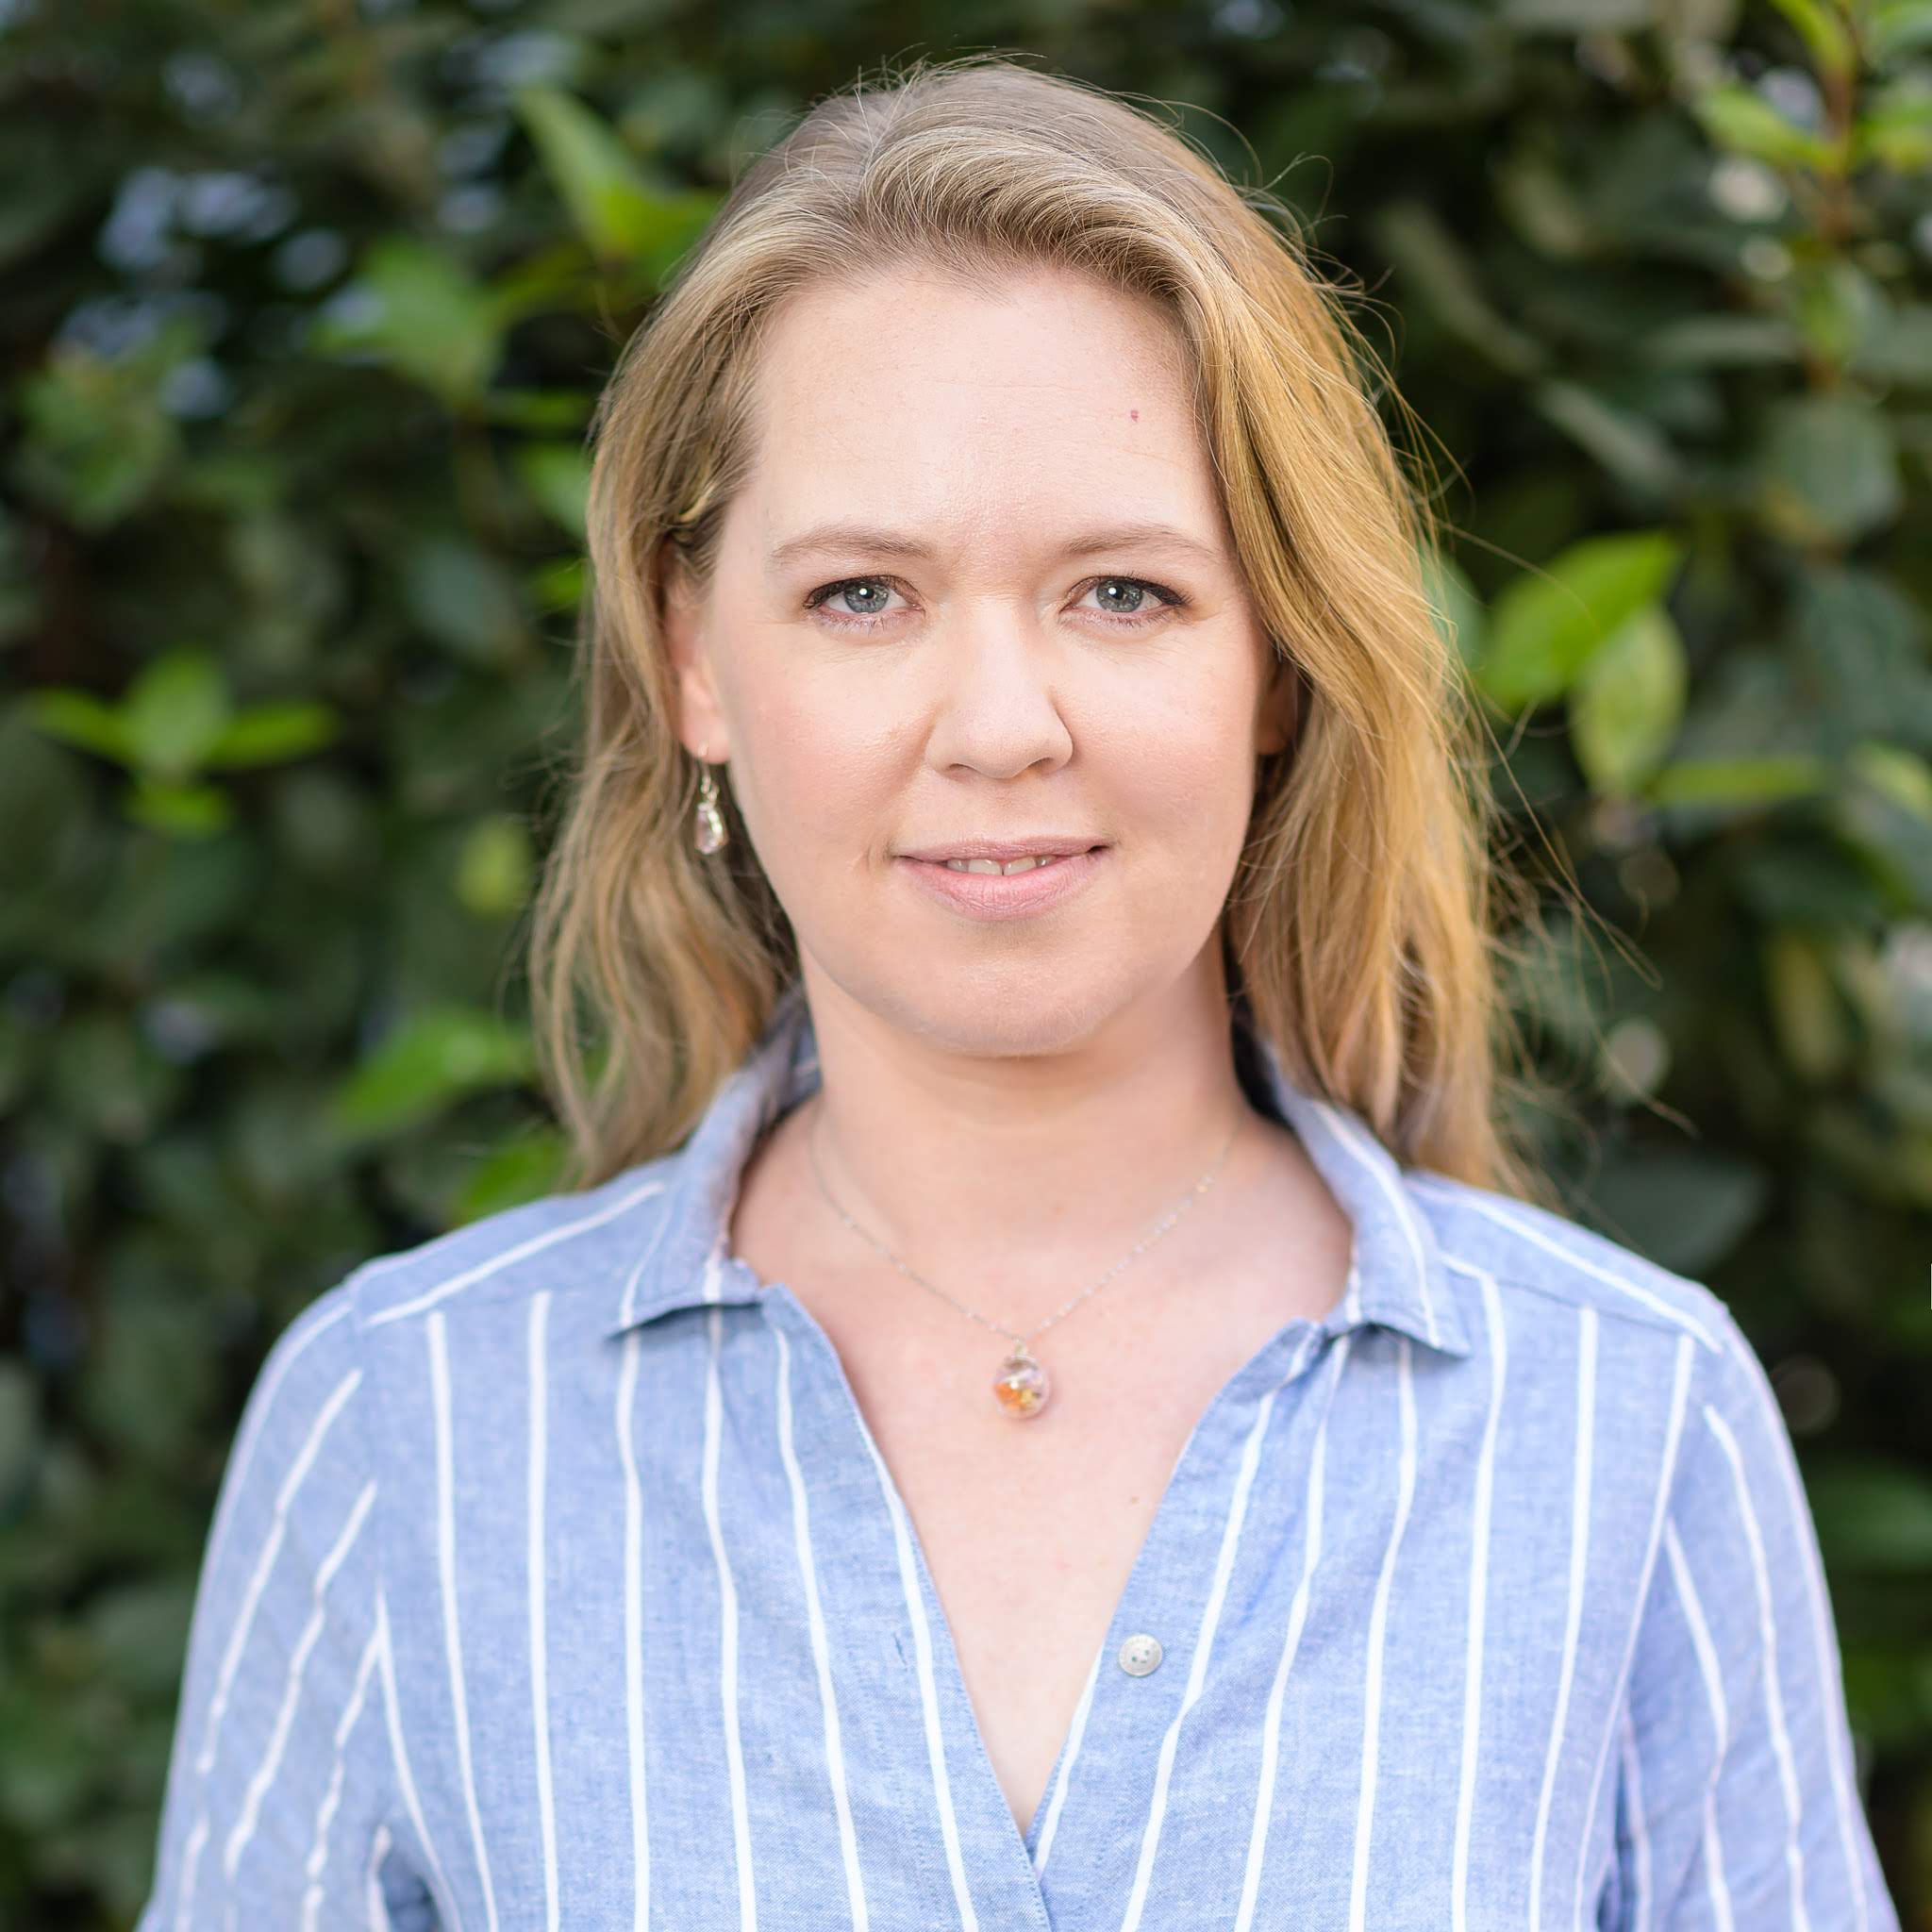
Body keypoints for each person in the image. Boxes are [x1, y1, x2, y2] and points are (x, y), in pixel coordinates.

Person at [135, 53, 1900, 1931]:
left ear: (1278, 665)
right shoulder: (404, 1425)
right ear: (694, 662)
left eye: (1122, 592)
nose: (999, 726)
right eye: (863, 597)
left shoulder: (1626, 1421)